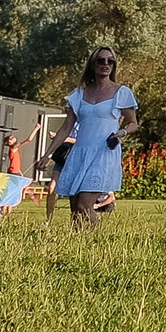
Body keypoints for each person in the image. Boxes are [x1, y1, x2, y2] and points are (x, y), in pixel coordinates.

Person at [49, 45, 140, 228]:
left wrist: (120, 133)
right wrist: (47, 155)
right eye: (101, 60)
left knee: (84, 205)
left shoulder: (121, 93)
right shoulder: (79, 94)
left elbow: (133, 123)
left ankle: (96, 242)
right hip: (79, 154)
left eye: (110, 61)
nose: (106, 64)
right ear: (92, 64)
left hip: (104, 153)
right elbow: (66, 127)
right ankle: (78, 248)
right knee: (75, 209)